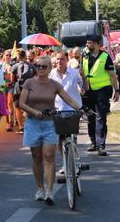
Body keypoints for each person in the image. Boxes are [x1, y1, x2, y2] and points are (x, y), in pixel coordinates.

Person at [18, 56, 81, 205]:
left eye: (44, 66)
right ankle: (40, 188)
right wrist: (34, 112)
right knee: (36, 157)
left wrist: (80, 108)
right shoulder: (29, 83)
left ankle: (49, 191)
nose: (40, 68)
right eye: (38, 66)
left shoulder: (54, 85)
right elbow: (21, 103)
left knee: (49, 156)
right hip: (33, 123)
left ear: (49, 68)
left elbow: (69, 99)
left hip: (49, 124)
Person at [82, 34, 120, 157]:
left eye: (91, 43)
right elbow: (81, 72)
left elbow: (112, 75)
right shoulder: (85, 55)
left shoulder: (105, 56)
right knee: (90, 117)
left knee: (100, 117)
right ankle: (93, 142)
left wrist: (117, 90)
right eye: (87, 43)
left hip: (102, 91)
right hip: (88, 91)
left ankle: (101, 145)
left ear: (98, 44)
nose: (88, 45)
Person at [10, 50, 35, 133]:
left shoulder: (15, 66)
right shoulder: (31, 66)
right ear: (25, 57)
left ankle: (21, 126)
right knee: (27, 107)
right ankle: (28, 124)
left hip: (18, 89)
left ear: (18, 57)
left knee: (17, 107)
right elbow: (35, 77)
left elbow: (12, 79)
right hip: (29, 89)